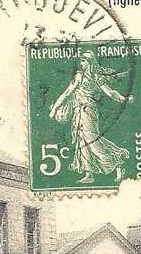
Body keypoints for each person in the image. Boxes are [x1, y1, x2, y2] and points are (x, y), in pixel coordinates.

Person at [48, 50, 132, 184]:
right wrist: (55, 108)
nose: (82, 63)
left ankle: (117, 162)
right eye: (81, 60)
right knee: (81, 141)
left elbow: (110, 92)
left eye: (84, 60)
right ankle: (89, 174)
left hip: (88, 111)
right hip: (78, 111)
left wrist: (123, 99)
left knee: (92, 140)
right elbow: (67, 93)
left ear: (90, 62)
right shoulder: (79, 76)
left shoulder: (97, 77)